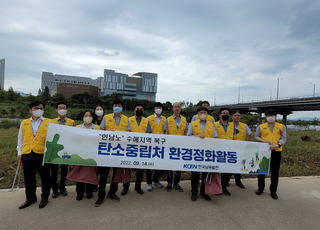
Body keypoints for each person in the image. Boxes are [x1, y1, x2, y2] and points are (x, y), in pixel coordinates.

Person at [95, 98, 131, 206]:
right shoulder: (106, 117)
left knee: (117, 173)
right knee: (104, 174)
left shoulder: (126, 119)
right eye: (115, 105)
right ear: (112, 107)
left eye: (119, 105)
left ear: (122, 107)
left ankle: (112, 192)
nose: (117, 107)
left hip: (120, 150)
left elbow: (129, 134)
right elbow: (100, 132)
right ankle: (101, 195)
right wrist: (108, 133)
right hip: (107, 149)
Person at [17, 101, 52, 209]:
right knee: (28, 177)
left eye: (41, 108)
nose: (39, 110)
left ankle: (45, 197)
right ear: (30, 110)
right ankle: (30, 197)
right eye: (36, 108)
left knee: (45, 177)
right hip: (27, 153)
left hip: (42, 153)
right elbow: (20, 138)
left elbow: (55, 137)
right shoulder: (24, 122)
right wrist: (19, 152)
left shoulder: (50, 122)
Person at [66, 111, 99, 201]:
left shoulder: (97, 128)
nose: (87, 117)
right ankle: (79, 193)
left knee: (90, 173)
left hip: (92, 154)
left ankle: (89, 192)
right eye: (86, 115)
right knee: (79, 173)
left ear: (92, 118)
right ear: (82, 117)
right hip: (79, 154)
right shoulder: (77, 127)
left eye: (89, 116)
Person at [187, 106, 218, 201]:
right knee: (195, 174)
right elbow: (188, 137)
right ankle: (194, 192)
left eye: (205, 112)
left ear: (207, 114)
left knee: (206, 174)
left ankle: (204, 192)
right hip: (196, 153)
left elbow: (215, 137)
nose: (203, 114)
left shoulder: (211, 125)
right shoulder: (192, 124)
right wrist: (197, 136)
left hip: (207, 153)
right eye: (201, 112)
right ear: (197, 114)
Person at [255, 109, 286, 200]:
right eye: (268, 116)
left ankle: (273, 190)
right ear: (266, 117)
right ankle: (261, 188)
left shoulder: (281, 126)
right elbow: (256, 136)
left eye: (272, 115)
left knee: (275, 171)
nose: (270, 117)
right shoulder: (261, 126)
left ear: (276, 117)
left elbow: (284, 138)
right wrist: (264, 141)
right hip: (264, 151)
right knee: (261, 170)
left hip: (276, 151)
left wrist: (278, 145)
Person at [122, 104, 152, 195]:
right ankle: (125, 187)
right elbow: (126, 133)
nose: (139, 110)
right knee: (127, 169)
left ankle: (137, 187)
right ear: (134, 110)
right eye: (137, 109)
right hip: (130, 148)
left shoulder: (146, 121)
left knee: (140, 170)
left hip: (142, 149)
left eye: (141, 109)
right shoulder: (128, 120)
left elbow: (149, 133)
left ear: (143, 111)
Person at [50, 101, 75, 198]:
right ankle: (54, 189)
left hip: (66, 149)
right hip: (54, 149)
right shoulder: (51, 121)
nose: (62, 109)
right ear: (56, 110)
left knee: (64, 169)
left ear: (67, 110)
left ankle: (63, 188)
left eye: (64, 108)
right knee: (54, 170)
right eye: (60, 108)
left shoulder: (71, 122)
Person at [163, 102, 187, 192]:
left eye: (178, 107)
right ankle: (169, 183)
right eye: (175, 107)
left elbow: (185, 132)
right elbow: (166, 132)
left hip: (180, 147)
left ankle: (177, 183)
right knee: (169, 166)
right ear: (172, 109)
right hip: (170, 146)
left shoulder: (184, 119)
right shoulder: (168, 119)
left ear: (181, 109)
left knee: (178, 166)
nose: (177, 108)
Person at [228, 110, 253, 189]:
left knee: (240, 164)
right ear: (232, 117)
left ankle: (238, 181)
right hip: (231, 148)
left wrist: (246, 144)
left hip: (241, 149)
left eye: (238, 115)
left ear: (240, 117)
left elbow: (250, 135)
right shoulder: (228, 125)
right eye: (235, 115)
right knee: (230, 164)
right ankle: (226, 181)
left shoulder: (244, 125)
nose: (237, 117)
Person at [214, 107, 235, 196]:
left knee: (226, 171)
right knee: (216, 171)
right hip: (217, 151)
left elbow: (233, 137)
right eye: (223, 113)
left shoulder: (231, 125)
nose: (225, 115)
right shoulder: (214, 124)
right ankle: (216, 188)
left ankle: (224, 187)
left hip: (228, 151)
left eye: (227, 113)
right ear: (220, 115)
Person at [146, 102, 167, 191]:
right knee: (149, 165)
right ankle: (149, 182)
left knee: (159, 164)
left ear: (162, 109)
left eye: (160, 107)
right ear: (154, 109)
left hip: (161, 145)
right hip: (151, 145)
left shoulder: (165, 119)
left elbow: (166, 131)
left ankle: (155, 180)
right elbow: (147, 131)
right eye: (157, 107)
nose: (158, 109)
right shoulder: (149, 118)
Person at [92, 105, 105, 192]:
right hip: (93, 147)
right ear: (94, 111)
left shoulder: (107, 120)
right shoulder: (92, 122)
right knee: (94, 168)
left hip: (103, 148)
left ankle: (100, 183)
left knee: (101, 168)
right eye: (97, 109)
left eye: (101, 109)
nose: (99, 110)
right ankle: (94, 183)